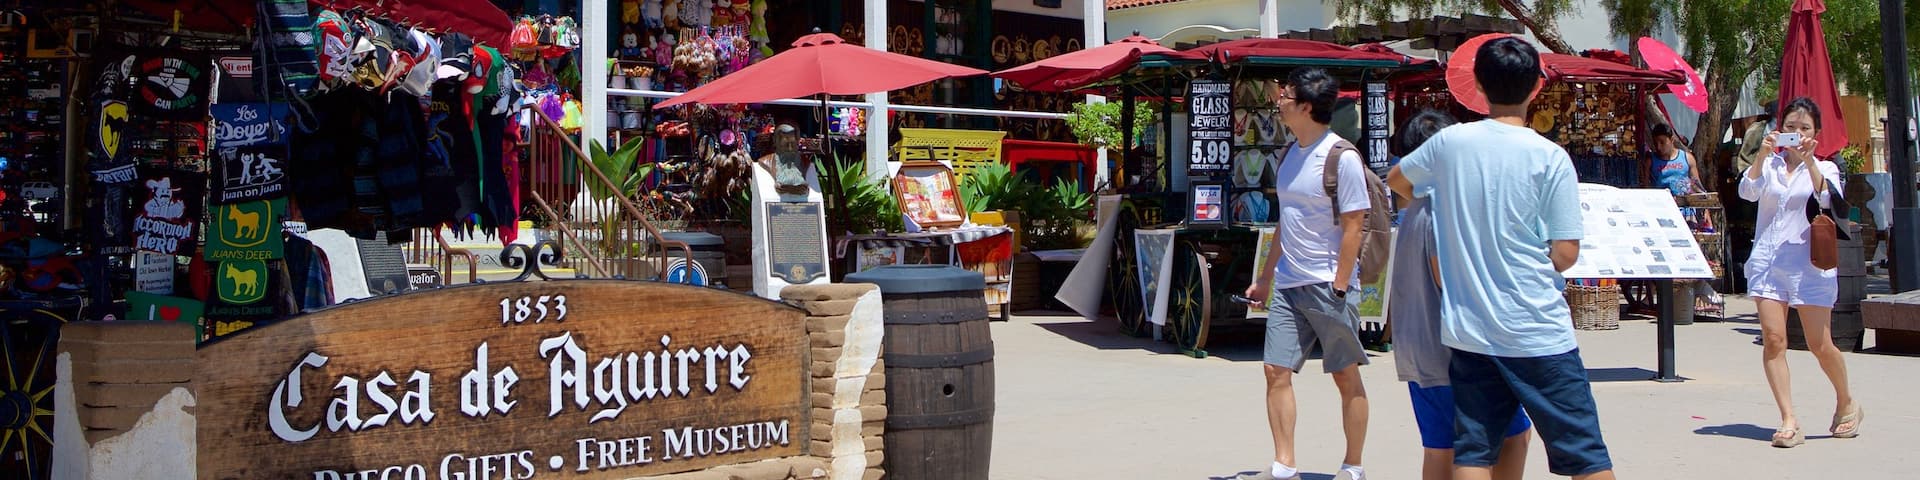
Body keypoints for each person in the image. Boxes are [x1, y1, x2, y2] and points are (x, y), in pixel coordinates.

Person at [1386, 37, 1616, 480]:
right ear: (1536, 87)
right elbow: (1565, 254)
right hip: (1538, 330)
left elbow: (1399, 181)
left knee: (1474, 452)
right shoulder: (1550, 157)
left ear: (1477, 85)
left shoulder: (1449, 144)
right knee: (1584, 453)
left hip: (1470, 330)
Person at [1387, 109, 1533, 480]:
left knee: (1440, 448)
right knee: (1511, 436)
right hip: (1459, 354)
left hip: (1421, 351)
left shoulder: (1415, 206)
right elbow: (1449, 279)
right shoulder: (1443, 208)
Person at [1242, 67, 1372, 480]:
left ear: (1306, 106)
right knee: (1274, 369)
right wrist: (1265, 278)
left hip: (1328, 285)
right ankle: (1284, 463)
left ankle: (1353, 464)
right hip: (1290, 283)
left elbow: (1355, 224)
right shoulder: (1288, 153)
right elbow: (1286, 220)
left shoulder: (1341, 157)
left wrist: (1339, 282)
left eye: (1286, 95)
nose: (1279, 100)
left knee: (1343, 375)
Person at [1738, 96, 1862, 448]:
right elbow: (1747, 192)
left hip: (1809, 265)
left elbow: (1829, 200)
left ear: (1815, 134)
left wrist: (1810, 163)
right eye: (1790, 128)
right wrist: (1761, 154)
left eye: (1804, 129)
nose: (1796, 134)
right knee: (1774, 340)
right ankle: (1788, 418)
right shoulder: (1771, 166)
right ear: (1779, 130)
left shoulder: (1826, 168)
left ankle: (1846, 401)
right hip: (1768, 263)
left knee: (1820, 344)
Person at [1651, 123, 1726, 307]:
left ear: (1672, 140)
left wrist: (1705, 210)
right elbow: (1647, 185)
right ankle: (1664, 292)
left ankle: (1698, 289)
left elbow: (1697, 185)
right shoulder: (1651, 161)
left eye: (1662, 142)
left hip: (1687, 213)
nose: (1659, 147)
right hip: (1663, 213)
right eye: (1656, 143)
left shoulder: (1687, 159)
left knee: (1690, 250)